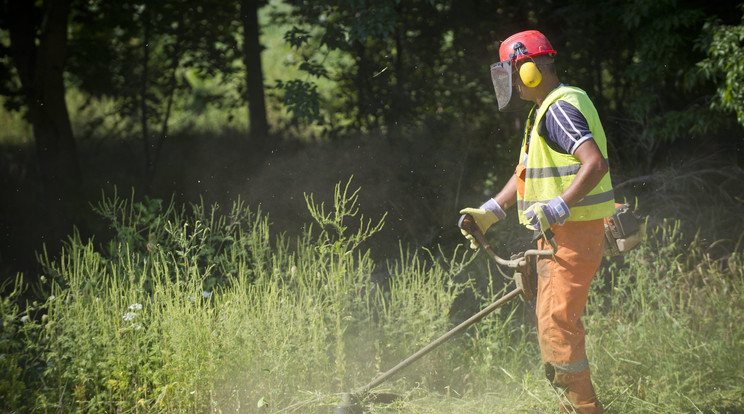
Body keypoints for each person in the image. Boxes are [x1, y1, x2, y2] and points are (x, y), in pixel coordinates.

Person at [459, 30, 614, 414]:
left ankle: (582, 410)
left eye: (512, 72)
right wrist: (490, 211)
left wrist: (560, 206)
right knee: (550, 324)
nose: (510, 82)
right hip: (559, 234)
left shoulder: (559, 107)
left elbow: (594, 163)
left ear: (528, 68)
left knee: (558, 326)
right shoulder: (543, 110)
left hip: (573, 233)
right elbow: (526, 172)